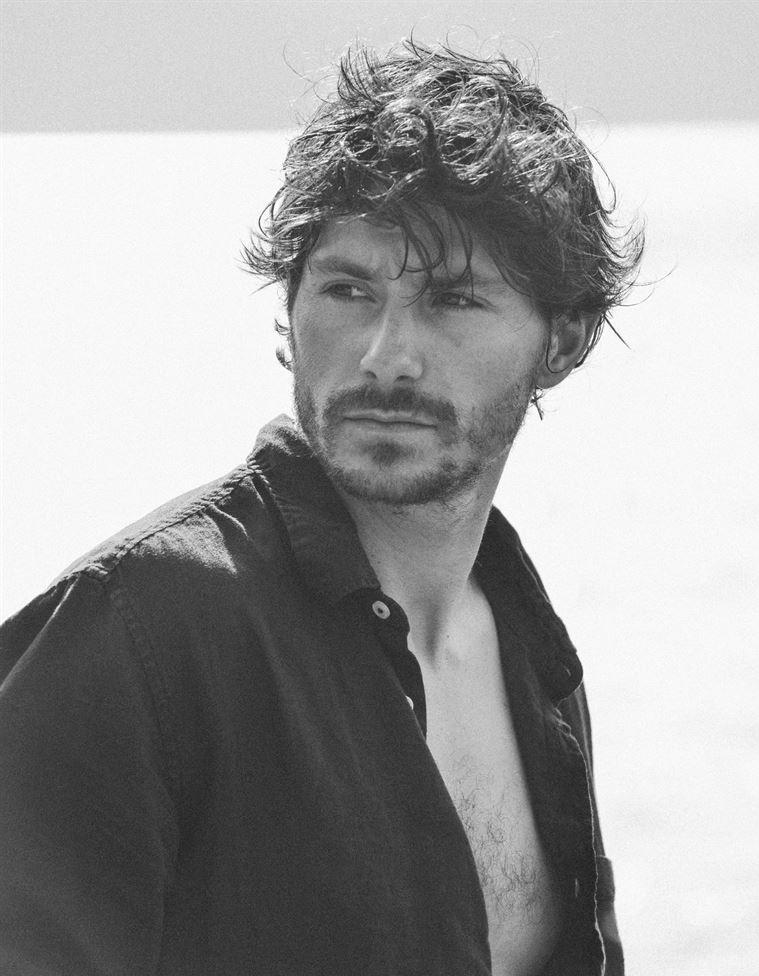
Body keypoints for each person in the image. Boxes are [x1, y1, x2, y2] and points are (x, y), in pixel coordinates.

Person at [0, 40, 643, 976]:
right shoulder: (138, 636)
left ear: (564, 341)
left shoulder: (532, 654)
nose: (386, 355)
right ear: (289, 313)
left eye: (455, 300)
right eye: (348, 290)